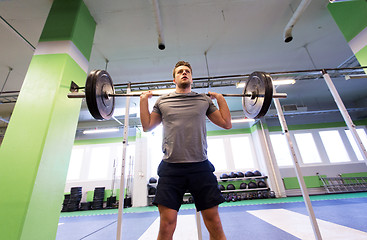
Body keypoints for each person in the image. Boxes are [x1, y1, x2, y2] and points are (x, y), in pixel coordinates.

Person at [140, 61, 232, 240]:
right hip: (171, 169)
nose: (184, 73)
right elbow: (147, 126)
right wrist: (143, 101)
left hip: (200, 167)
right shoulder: (162, 100)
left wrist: (220, 99)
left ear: (191, 77)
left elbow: (226, 124)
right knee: (166, 225)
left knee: (215, 223)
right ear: (173, 78)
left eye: (187, 71)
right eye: (180, 71)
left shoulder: (203, 100)